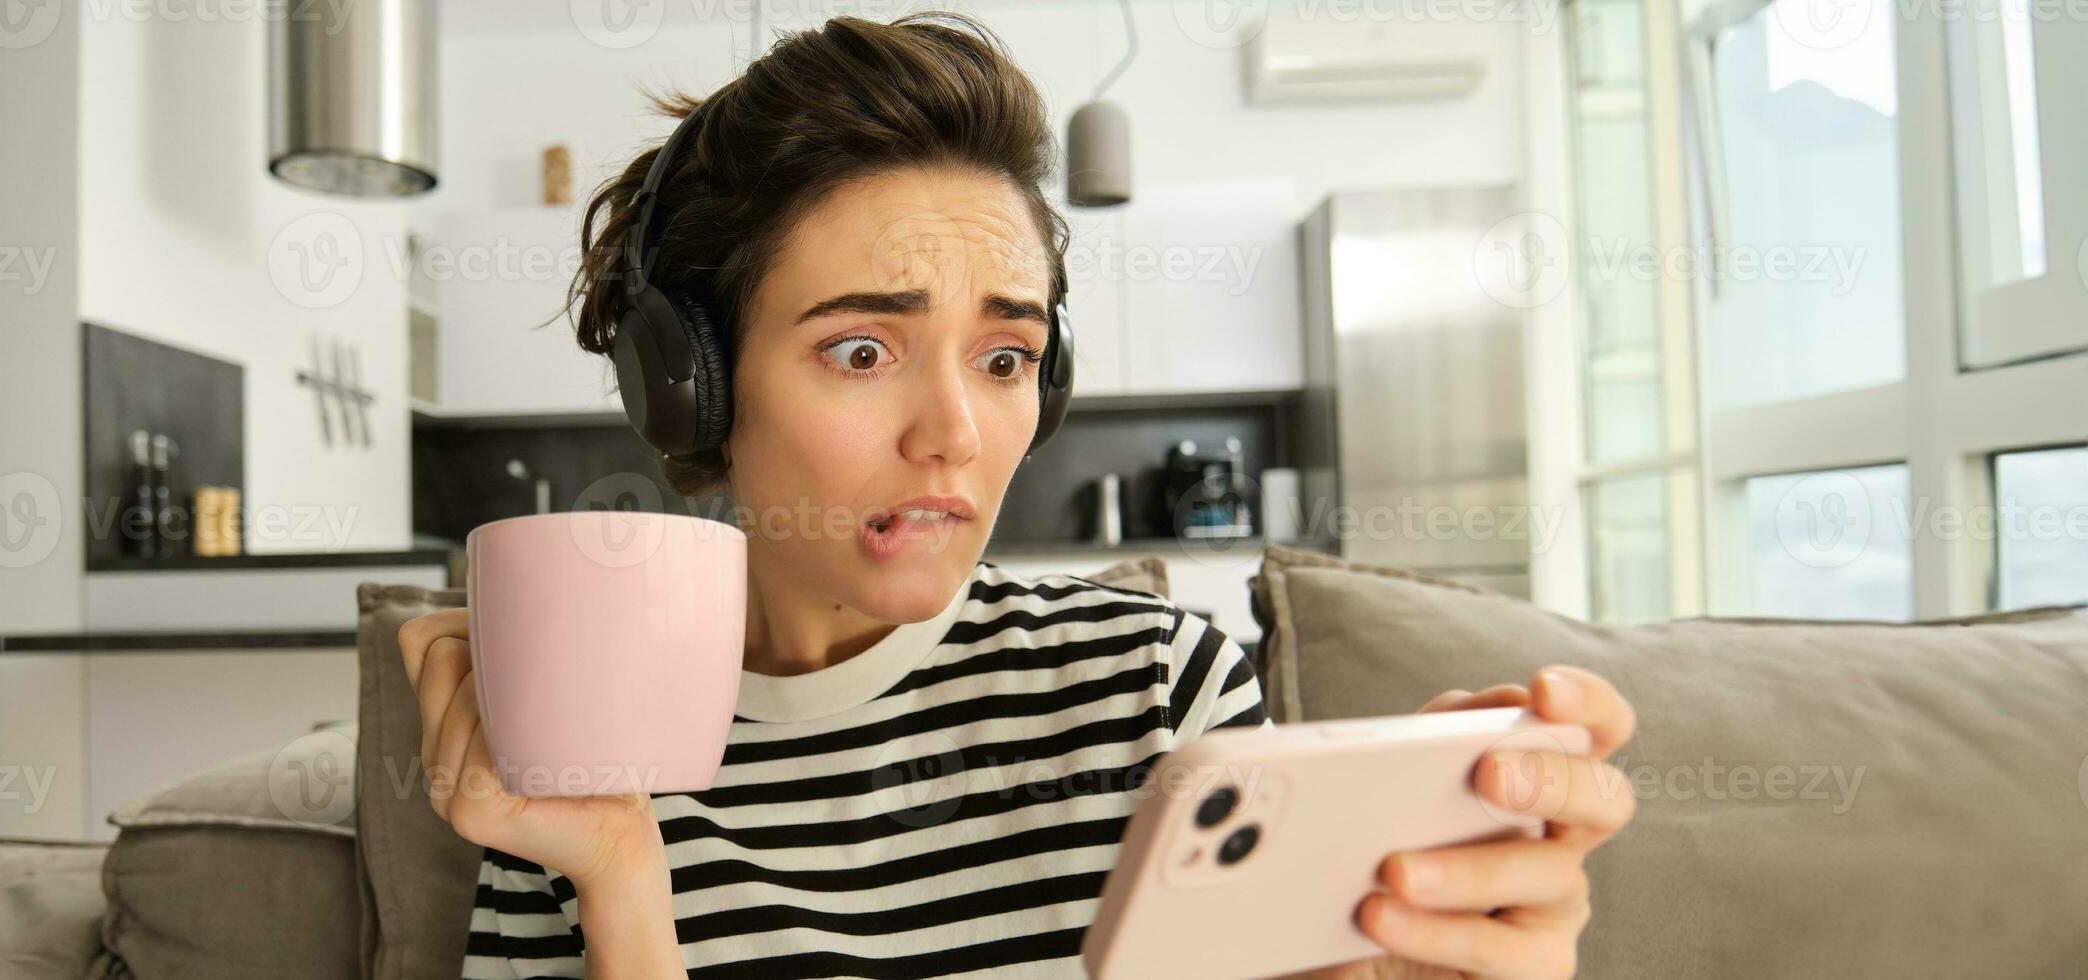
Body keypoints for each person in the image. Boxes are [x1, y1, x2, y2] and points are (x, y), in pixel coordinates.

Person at [397, 14, 1635, 979]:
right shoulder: (580, 755)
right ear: (693, 389)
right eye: (862, 350)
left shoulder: (1155, 688)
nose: (955, 436)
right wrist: (621, 886)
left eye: (1004, 359)